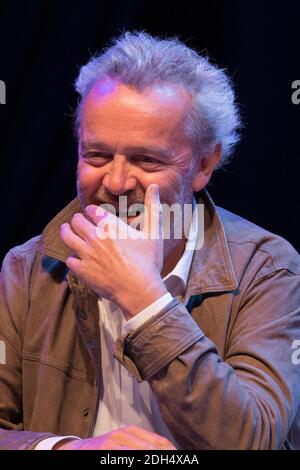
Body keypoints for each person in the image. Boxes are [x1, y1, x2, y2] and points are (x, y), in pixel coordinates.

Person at [0, 31, 300, 451]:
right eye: (97, 156)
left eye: (147, 160)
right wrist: (71, 450)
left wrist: (144, 299)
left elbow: (255, 440)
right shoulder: (27, 269)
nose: (117, 182)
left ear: (204, 164)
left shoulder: (269, 269)